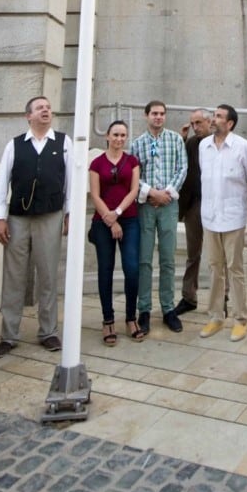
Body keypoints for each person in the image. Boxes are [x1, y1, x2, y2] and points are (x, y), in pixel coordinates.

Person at [0, 96, 71, 359]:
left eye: (48, 107)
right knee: (14, 276)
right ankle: (9, 335)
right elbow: (3, 182)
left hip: (50, 215)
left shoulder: (63, 142)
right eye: (40, 108)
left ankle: (48, 332)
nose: (46, 110)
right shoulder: (14, 145)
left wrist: (68, 214)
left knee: (48, 274)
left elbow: (70, 181)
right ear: (29, 116)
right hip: (18, 217)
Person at [198, 104, 247, 342]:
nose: (213, 119)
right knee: (214, 268)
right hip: (210, 216)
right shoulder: (204, 146)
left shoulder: (241, 146)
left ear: (229, 123)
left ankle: (240, 318)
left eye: (219, 117)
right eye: (214, 115)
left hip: (233, 216)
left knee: (235, 269)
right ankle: (215, 316)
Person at [132, 99, 187, 335]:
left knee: (168, 258)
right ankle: (143, 309)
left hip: (168, 205)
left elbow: (182, 168)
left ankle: (167, 308)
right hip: (145, 206)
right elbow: (134, 175)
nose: (158, 117)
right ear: (147, 116)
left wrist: (167, 194)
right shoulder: (137, 144)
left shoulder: (175, 140)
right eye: (154, 113)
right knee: (144, 260)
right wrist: (150, 193)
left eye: (162, 113)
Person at [88, 121, 143, 344]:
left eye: (123, 135)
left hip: (129, 220)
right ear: (107, 137)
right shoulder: (96, 163)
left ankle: (131, 318)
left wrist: (118, 213)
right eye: (116, 135)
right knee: (105, 270)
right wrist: (110, 221)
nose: (120, 139)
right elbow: (95, 194)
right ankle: (108, 320)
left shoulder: (132, 161)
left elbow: (134, 190)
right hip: (103, 222)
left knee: (131, 268)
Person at [175, 108, 212, 315]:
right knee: (193, 253)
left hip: (215, 203)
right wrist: (182, 139)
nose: (196, 127)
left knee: (218, 255)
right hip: (194, 203)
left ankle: (220, 298)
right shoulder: (191, 143)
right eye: (193, 123)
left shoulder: (218, 142)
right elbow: (180, 166)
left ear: (209, 122)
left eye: (199, 123)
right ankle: (189, 296)